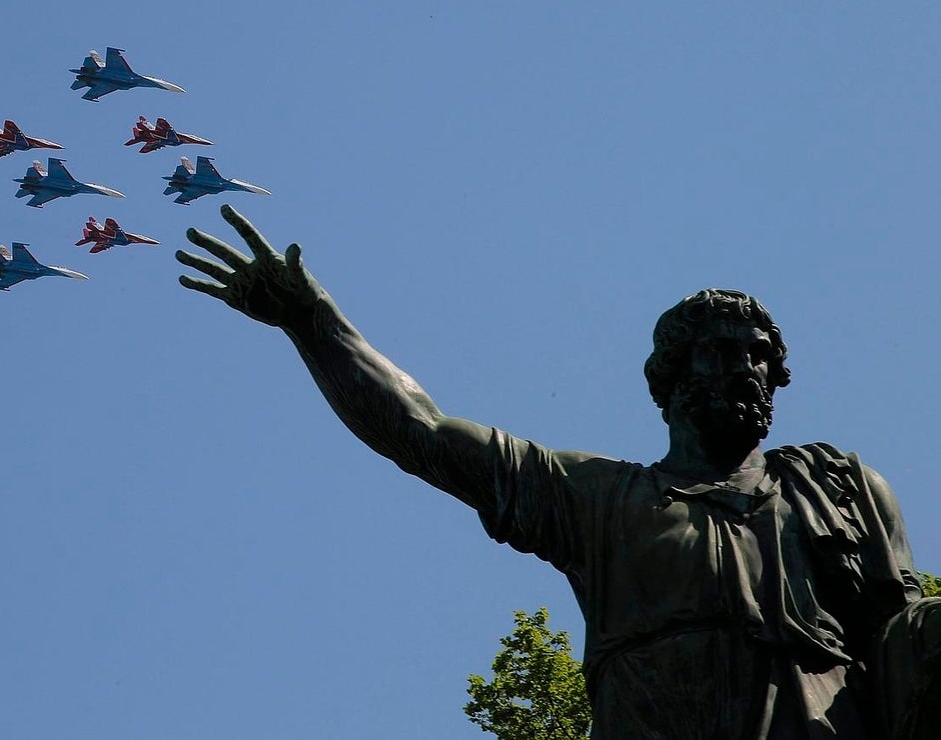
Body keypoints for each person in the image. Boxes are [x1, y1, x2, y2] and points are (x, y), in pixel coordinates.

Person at [177, 205, 940, 739]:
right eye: (720, 351)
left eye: (761, 358)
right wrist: (313, 323)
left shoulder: (835, 489)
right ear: (670, 379)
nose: (746, 369)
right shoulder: (603, 500)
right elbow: (424, 430)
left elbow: (904, 641)